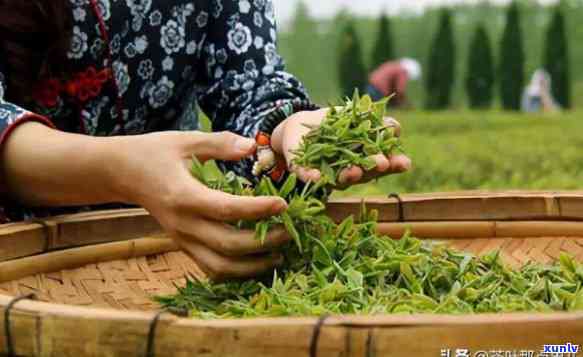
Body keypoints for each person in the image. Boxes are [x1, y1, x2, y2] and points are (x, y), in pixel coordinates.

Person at [0, 0, 411, 279]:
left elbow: (246, 80)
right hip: (16, 255)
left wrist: (285, 129)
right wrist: (119, 168)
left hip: (163, 248)